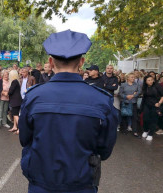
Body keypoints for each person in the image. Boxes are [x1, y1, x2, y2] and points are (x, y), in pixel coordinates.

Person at [20, 30, 118, 193]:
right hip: (81, 183)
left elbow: (25, 139)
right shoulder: (101, 99)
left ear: (50, 62)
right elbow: (105, 150)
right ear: (81, 62)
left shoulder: (34, 96)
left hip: (42, 182)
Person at [141, 75, 163, 141]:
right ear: (145, 81)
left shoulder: (157, 86)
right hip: (146, 104)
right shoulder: (145, 87)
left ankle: (151, 134)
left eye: (151, 80)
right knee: (145, 118)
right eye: (148, 80)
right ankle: (145, 130)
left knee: (154, 119)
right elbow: (144, 97)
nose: (150, 81)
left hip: (155, 105)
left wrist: (159, 103)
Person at [119, 72, 141, 137]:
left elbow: (139, 91)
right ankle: (124, 130)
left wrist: (133, 95)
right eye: (132, 77)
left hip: (133, 102)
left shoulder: (137, 85)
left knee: (134, 117)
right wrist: (126, 96)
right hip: (125, 102)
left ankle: (135, 131)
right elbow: (120, 93)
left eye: (134, 77)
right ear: (127, 78)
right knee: (124, 116)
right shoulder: (123, 85)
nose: (133, 78)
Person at [8, 70, 22, 134]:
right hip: (18, 100)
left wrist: (7, 92)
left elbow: (10, 91)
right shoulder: (17, 81)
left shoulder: (14, 81)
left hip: (15, 100)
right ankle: (15, 126)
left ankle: (20, 128)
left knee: (15, 114)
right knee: (15, 114)